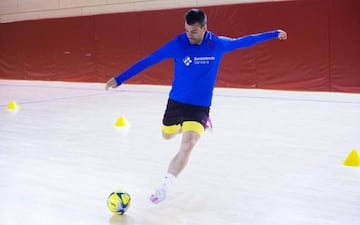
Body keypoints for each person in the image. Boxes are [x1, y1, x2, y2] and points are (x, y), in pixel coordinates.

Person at [105, 8, 287, 204]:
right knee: (166, 136)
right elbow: (150, 60)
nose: (189, 35)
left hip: (199, 106)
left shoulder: (216, 44)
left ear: (204, 27)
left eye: (193, 31)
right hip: (176, 103)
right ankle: (182, 127)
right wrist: (120, 78)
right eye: (186, 31)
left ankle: (164, 187)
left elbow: (244, 41)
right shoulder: (178, 44)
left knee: (188, 144)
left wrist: (274, 33)